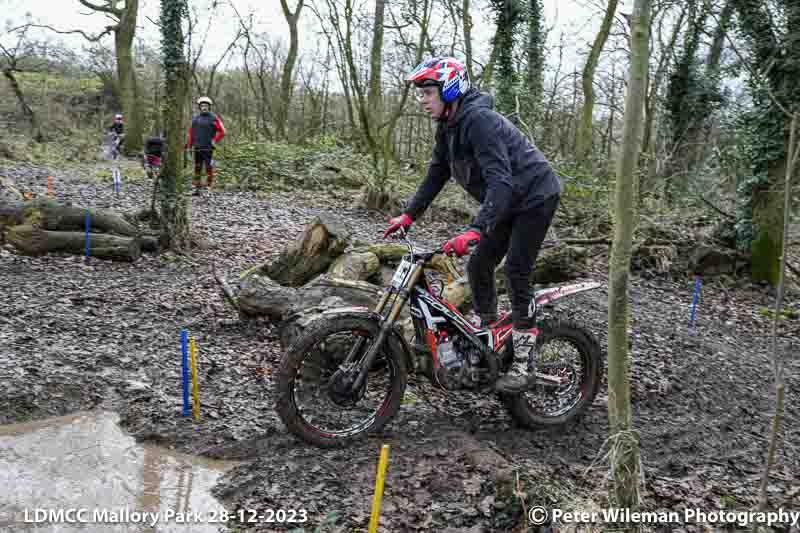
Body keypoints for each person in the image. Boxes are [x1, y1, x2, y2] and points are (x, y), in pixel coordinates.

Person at [383, 56, 561, 394]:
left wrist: (476, 229)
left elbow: (501, 181)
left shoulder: (479, 120)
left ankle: (524, 363)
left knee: (516, 271)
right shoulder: (448, 127)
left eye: (427, 93)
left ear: (449, 90)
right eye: (420, 94)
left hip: (535, 196)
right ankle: (489, 339)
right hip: (507, 200)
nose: (422, 101)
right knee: (479, 265)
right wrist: (409, 215)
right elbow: (437, 172)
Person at [187, 96, 225, 195]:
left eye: (206, 106)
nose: (204, 107)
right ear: (199, 107)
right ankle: (197, 188)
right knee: (197, 167)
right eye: (202, 105)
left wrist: (214, 140)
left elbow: (222, 132)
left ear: (209, 107)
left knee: (209, 167)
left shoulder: (214, 118)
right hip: (197, 147)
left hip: (208, 148)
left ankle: (209, 187)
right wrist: (189, 146)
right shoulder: (195, 119)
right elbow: (191, 133)